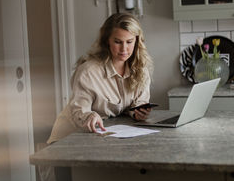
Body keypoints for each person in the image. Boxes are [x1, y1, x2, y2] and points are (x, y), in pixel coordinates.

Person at [47, 12, 154, 144]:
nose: (124, 49)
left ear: (137, 41)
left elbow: (138, 103)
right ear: (107, 41)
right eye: (117, 42)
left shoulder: (140, 70)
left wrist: (139, 112)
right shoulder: (88, 71)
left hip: (100, 136)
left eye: (129, 42)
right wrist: (90, 115)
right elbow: (79, 110)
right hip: (67, 138)